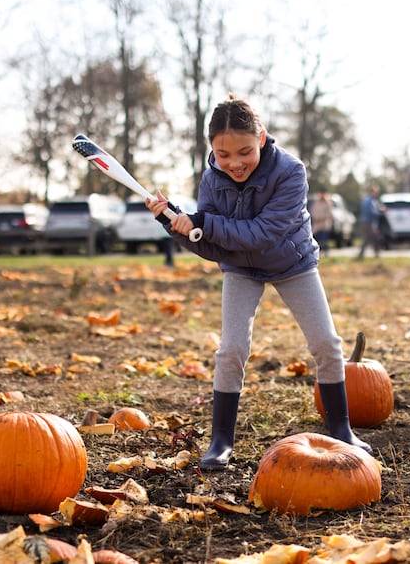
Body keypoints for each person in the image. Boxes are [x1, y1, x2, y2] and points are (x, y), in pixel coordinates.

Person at [146, 95, 371, 470]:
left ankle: (341, 430)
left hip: (292, 262)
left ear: (262, 138)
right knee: (231, 349)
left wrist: (202, 221)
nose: (234, 163)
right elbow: (211, 245)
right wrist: (176, 225)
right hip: (240, 269)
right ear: (212, 150)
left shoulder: (290, 172)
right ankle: (220, 441)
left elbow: (263, 233)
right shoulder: (210, 180)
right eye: (223, 154)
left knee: (326, 344)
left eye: (244, 151)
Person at [357, 184, 385, 259]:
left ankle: (363, 254)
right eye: (376, 192)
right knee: (372, 238)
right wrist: (381, 214)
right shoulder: (369, 201)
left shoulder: (371, 200)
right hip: (368, 222)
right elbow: (371, 212)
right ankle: (375, 254)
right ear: (372, 192)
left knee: (369, 239)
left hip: (368, 222)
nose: (376, 194)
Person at [309, 188, 333, 252]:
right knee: (316, 239)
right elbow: (312, 211)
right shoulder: (316, 203)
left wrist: (322, 218)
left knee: (324, 239)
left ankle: (326, 251)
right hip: (316, 224)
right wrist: (316, 218)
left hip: (324, 224)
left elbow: (329, 214)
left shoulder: (328, 203)